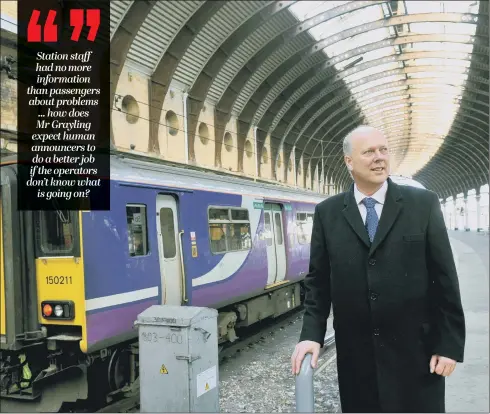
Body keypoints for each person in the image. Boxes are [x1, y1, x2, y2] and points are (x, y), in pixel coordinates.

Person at [291, 125, 465, 413]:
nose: (379, 157)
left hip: (417, 355)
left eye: (383, 150)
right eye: (369, 152)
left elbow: (445, 279)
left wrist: (448, 345)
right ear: (349, 161)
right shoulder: (328, 213)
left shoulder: (422, 204)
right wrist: (312, 334)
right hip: (357, 359)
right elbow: (318, 282)